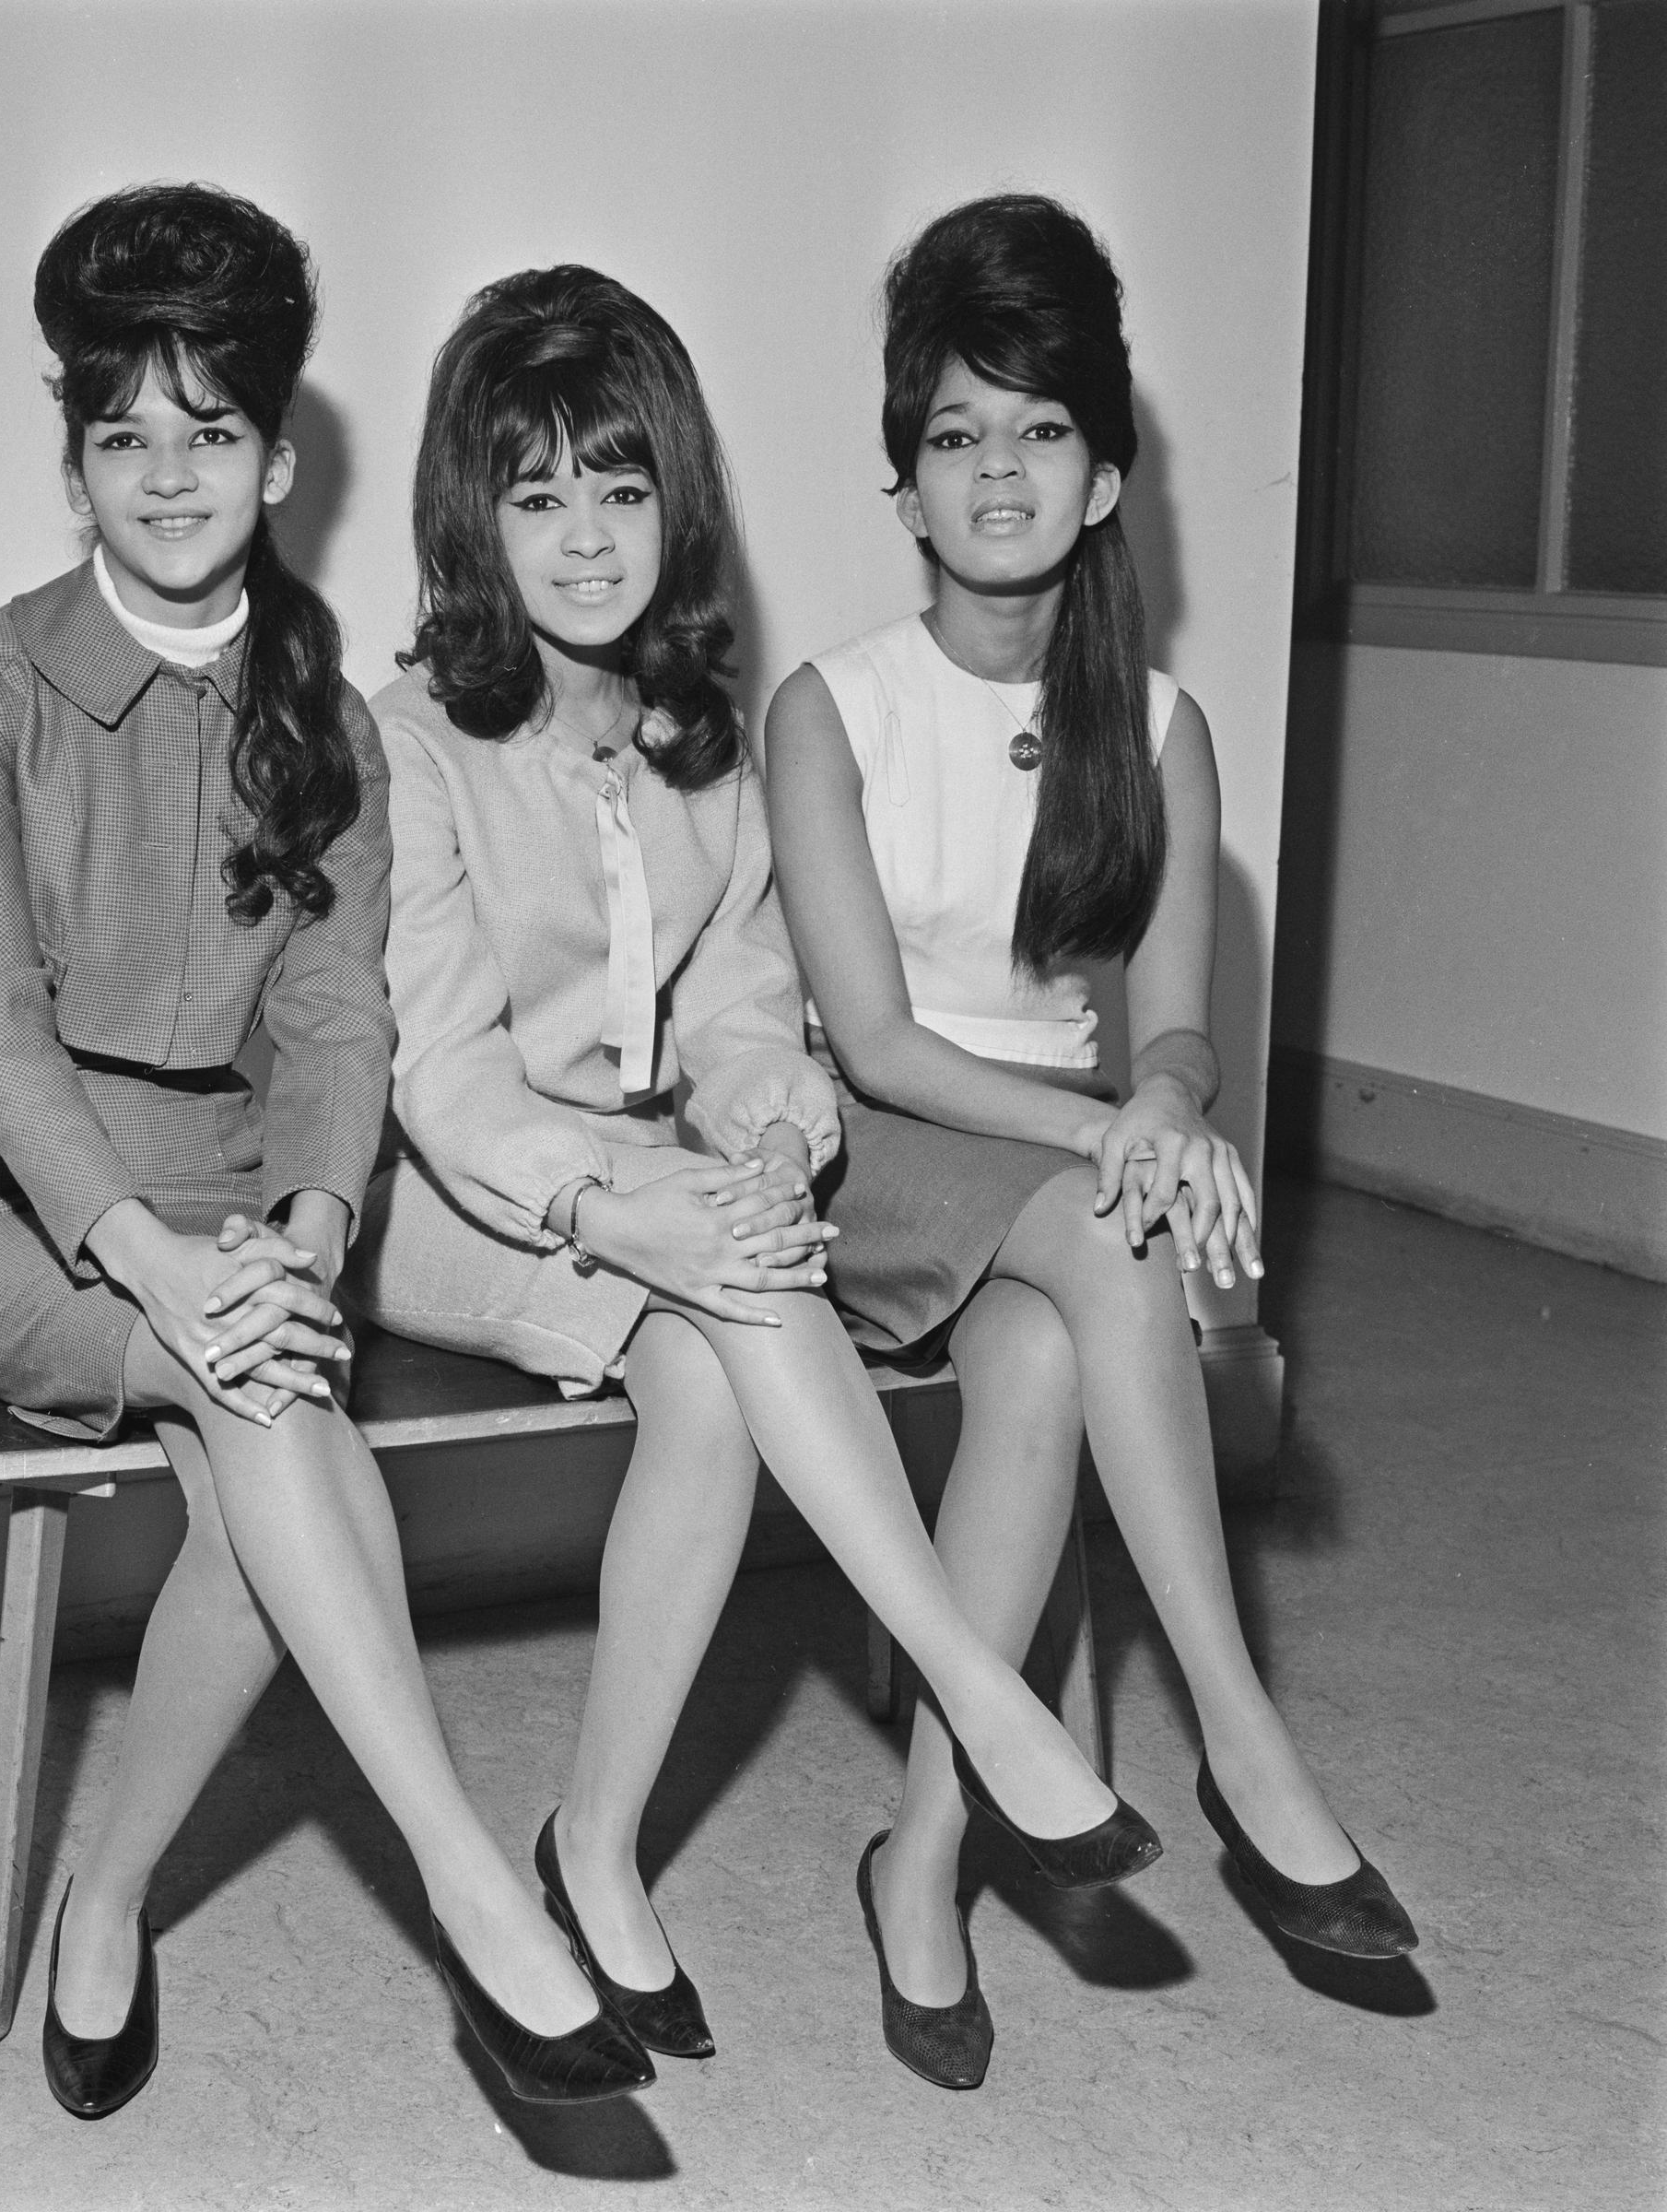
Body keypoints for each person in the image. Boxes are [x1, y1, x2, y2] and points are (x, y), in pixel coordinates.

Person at [349, 264, 1160, 2081]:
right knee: (714, 1288)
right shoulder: (403, 740)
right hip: (451, 1200)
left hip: (654, 1195)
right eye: (536, 493)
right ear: (468, 518)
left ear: (674, 506)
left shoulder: (693, 737)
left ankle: (593, 1846)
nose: (582, 538)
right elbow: (447, 1077)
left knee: (724, 1345)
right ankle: (970, 1681)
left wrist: (775, 1137)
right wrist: (620, 1200)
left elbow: (736, 1012)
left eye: (619, 490)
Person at [0, 184, 649, 2119]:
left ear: (276, 454)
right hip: (21, 1211)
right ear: (70, 462)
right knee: (258, 1391)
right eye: (122, 435)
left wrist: (310, 1233)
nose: (167, 474)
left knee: (268, 1433)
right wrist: (164, 1264)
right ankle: (474, 1889)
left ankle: (107, 1893)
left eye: (208, 431)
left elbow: (332, 1021)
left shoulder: (326, 696)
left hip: (249, 1203)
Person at [762, 194, 1417, 2088]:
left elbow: (1183, 1022)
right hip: (869, 1156)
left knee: (1049, 1343)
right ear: (899, 487)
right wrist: (1115, 1129)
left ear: (1104, 476)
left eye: (1037, 430)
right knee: (1107, 1236)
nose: (995, 470)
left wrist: (1169, 1098)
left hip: (1052, 1196)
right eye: (954, 434)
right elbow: (872, 1039)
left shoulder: (1155, 723)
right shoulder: (836, 712)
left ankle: (926, 1852)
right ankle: (1237, 1730)